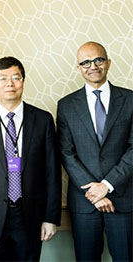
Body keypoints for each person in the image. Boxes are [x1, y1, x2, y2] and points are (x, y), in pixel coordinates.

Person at [0, 56, 62, 261]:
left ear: (23, 81)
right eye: (3, 78)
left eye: (16, 77)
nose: (10, 84)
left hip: (31, 216)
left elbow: (52, 172)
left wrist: (51, 218)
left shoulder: (42, 120)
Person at [57, 41, 133, 261]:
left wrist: (107, 186)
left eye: (98, 60)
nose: (93, 66)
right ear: (78, 67)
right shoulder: (66, 105)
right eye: (86, 62)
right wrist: (94, 193)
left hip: (123, 198)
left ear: (108, 62)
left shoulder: (130, 100)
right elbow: (66, 153)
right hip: (84, 202)